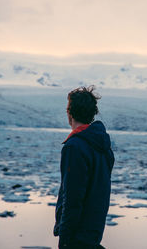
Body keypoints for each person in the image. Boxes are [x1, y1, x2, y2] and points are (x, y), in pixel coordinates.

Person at [54, 86, 115, 249]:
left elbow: (73, 197)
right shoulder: (102, 145)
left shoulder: (74, 147)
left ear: (69, 112)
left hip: (76, 237)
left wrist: (65, 240)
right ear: (92, 113)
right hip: (93, 232)